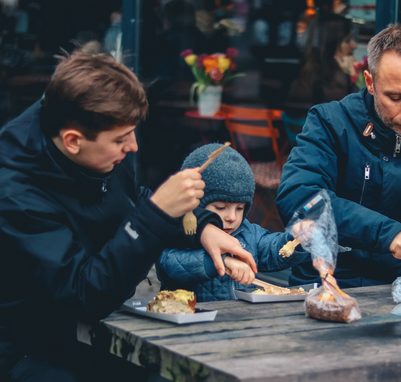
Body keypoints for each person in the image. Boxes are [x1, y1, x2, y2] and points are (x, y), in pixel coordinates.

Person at [0, 52, 256, 381]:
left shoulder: (99, 146)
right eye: (121, 139)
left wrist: (201, 228)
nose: (133, 146)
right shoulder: (15, 195)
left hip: (91, 331)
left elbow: (130, 202)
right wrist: (155, 213)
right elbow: (84, 294)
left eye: (133, 132)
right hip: (27, 347)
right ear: (73, 141)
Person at [277, 23, 401, 289]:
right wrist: (387, 233)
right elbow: (298, 196)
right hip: (326, 283)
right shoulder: (330, 122)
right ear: (370, 83)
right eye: (395, 97)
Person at [156, 143, 309, 301]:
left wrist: (296, 239)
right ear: (195, 206)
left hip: (239, 321)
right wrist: (221, 262)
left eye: (240, 208)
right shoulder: (184, 233)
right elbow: (167, 265)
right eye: (221, 207)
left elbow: (274, 251)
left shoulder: (249, 234)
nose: (232, 217)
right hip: (192, 319)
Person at [286, 12, 358, 119]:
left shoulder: (300, 82)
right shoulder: (342, 87)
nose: (354, 45)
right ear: (333, 45)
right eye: (348, 40)